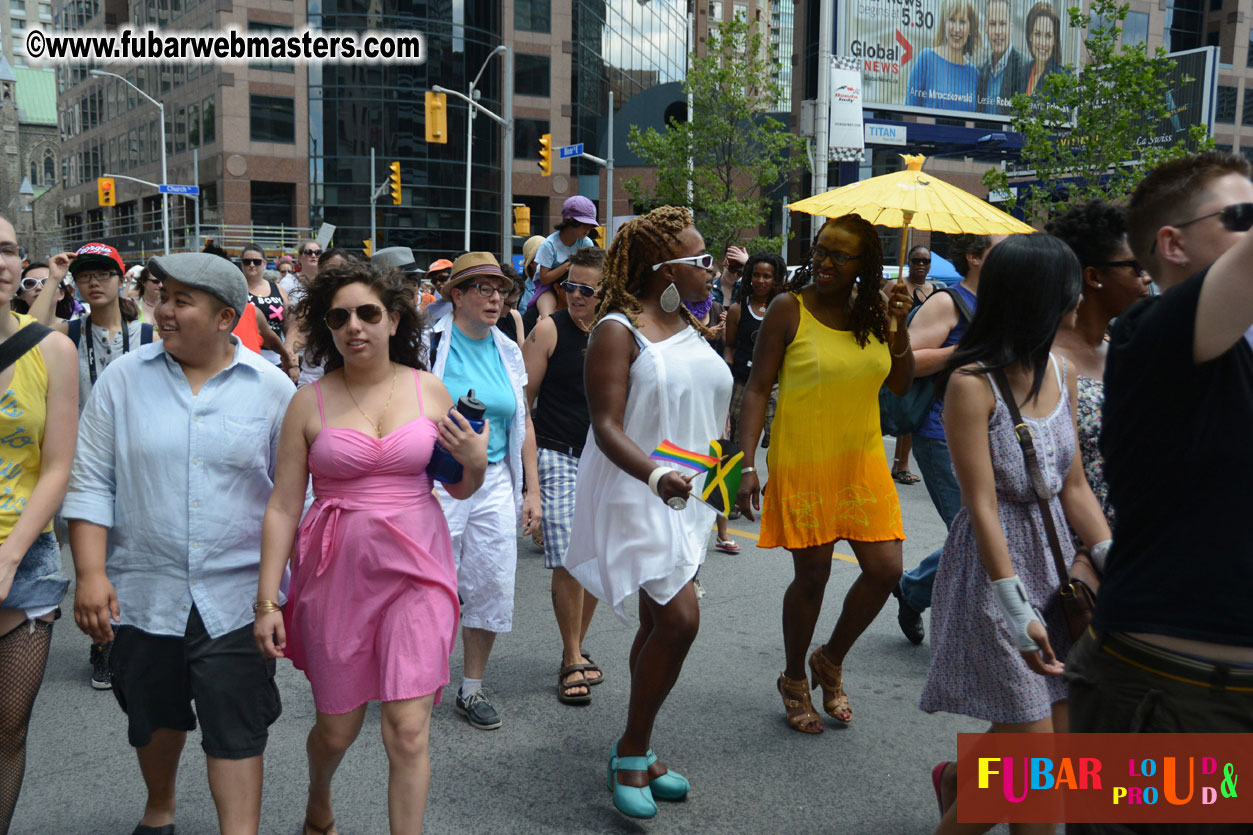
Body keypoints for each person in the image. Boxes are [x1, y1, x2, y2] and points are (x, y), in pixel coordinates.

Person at [65, 252, 294, 835]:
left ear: (224, 317)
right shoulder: (123, 379)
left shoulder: (271, 389)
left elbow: (291, 500)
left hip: (237, 596)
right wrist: (91, 575)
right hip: (144, 592)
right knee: (154, 716)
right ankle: (159, 807)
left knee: (237, 724)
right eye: (159, 296)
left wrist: (277, 597)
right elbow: (92, 478)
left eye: (179, 301)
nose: (161, 311)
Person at [255, 263, 483, 835]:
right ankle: (319, 793)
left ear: (394, 319)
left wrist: (475, 464)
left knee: (408, 730)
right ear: (327, 328)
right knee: (337, 729)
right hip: (338, 574)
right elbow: (283, 505)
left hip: (418, 569)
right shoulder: (307, 403)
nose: (354, 326)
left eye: (367, 313)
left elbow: (455, 481)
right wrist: (267, 603)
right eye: (339, 317)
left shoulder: (429, 388)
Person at [920, 235, 1111, 833]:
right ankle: (959, 788)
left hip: (1054, 565)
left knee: (1036, 780)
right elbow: (980, 506)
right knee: (1030, 772)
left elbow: (1074, 486)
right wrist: (1014, 606)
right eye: (1070, 288)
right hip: (994, 576)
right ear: (1042, 298)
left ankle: (958, 780)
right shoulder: (971, 383)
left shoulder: (1062, 370)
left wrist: (1112, 559)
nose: (1079, 298)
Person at [1065, 152, 1253, 758]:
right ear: (1171, 244)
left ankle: (980, 782)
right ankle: (980, 784)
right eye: (1244, 215)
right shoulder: (1150, 334)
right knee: (1025, 729)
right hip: (1171, 693)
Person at [564, 206, 730, 819]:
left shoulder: (690, 323)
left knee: (657, 625)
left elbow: (707, 406)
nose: (712, 270)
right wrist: (658, 475)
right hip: (640, 493)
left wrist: (728, 470)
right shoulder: (617, 330)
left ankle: (640, 743)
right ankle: (632, 750)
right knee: (680, 621)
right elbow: (606, 427)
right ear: (665, 268)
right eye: (702, 260)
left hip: (692, 493)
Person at [734, 214, 914, 735]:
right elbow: (756, 388)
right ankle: (794, 678)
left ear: (865, 265)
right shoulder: (790, 308)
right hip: (804, 456)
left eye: (840, 255)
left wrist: (899, 325)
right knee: (813, 576)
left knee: (886, 569)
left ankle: (829, 660)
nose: (825, 261)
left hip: (861, 459)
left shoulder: (875, 310)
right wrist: (747, 463)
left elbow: (900, 384)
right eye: (821, 250)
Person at [426, 253, 541, 731]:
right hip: (437, 479)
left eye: (501, 290)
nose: (496, 298)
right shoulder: (428, 342)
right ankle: (416, 678)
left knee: (491, 581)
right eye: (483, 289)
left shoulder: (507, 348)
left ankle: (471, 688)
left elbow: (522, 420)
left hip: (494, 479)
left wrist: (532, 489)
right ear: (457, 295)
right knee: (431, 583)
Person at [0, 215, 78, 834]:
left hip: (24, 561)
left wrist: (9, 555)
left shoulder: (52, 349)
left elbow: (57, 467)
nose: (0, 262)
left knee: (7, 731)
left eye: (6, 250)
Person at [892, 233, 1002, 645]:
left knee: (982, 532)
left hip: (991, 432)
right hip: (943, 433)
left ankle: (913, 588)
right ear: (973, 257)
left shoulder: (1000, 304)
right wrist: (969, 351)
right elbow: (907, 363)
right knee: (979, 532)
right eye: (998, 250)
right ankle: (924, 595)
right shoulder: (946, 302)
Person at [522, 245, 607, 704]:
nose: (574, 295)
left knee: (596, 559)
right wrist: (529, 480)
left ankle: (574, 645)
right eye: (568, 285)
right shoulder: (547, 331)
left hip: (605, 459)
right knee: (570, 558)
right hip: (558, 452)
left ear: (605, 292)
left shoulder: (617, 333)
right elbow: (524, 406)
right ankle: (572, 656)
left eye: (585, 289)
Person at [1046, 201, 1152, 527]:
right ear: (1093, 276)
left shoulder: (1124, 351)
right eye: (1136, 267)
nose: (1147, 278)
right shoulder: (1046, 361)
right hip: (1069, 549)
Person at [683, 269, 738, 556]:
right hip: (688, 393)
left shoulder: (716, 308)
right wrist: (705, 333)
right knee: (690, 455)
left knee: (722, 456)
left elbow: (730, 346)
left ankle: (723, 531)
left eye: (710, 275)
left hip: (716, 393)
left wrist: (725, 329)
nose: (708, 280)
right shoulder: (675, 309)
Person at [723, 252, 786, 453]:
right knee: (737, 444)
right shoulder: (737, 310)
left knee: (779, 445)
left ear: (775, 280)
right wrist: (728, 374)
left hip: (776, 386)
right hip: (743, 384)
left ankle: (774, 485)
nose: (760, 280)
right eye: (755, 275)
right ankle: (738, 482)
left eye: (766, 276)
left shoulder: (785, 310)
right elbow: (730, 346)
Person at [889, 245, 942, 485]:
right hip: (900, 355)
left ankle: (903, 462)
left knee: (922, 408)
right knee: (904, 408)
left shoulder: (938, 290)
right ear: (908, 262)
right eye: (916, 260)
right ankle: (899, 463)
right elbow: (885, 319)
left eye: (925, 260)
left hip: (928, 356)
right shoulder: (896, 286)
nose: (921, 264)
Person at [527, 196, 597, 318]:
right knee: (547, 317)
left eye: (590, 225)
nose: (588, 229)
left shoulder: (587, 243)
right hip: (547, 288)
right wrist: (567, 265)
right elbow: (544, 279)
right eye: (584, 224)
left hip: (576, 286)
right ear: (569, 221)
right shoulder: (549, 245)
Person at [905, 0, 980, 112]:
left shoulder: (974, 74)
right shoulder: (926, 59)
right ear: (943, 23)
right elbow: (909, 113)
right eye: (952, 20)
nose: (957, 29)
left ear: (970, 28)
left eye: (962, 22)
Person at [241, 244, 291, 369]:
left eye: (256, 262)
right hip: (246, 355)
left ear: (264, 264)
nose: (252, 265)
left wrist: (290, 355)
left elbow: (289, 324)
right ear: (242, 264)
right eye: (247, 262)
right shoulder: (236, 289)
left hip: (276, 357)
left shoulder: (278, 289)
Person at [976, 0, 1027, 115]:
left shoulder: (1025, 69)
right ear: (985, 28)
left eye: (1003, 24)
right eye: (993, 24)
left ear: (1011, 27)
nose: (998, 31)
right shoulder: (980, 72)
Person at [1022, 2, 1063, 96]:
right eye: (1037, 34)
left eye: (1048, 36)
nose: (1042, 43)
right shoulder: (1022, 73)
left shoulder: (1061, 78)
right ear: (1030, 36)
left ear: (1054, 40)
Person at [495, 263, 527, 345]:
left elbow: (521, 353)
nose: (512, 308)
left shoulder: (514, 316)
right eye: (508, 304)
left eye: (515, 303)